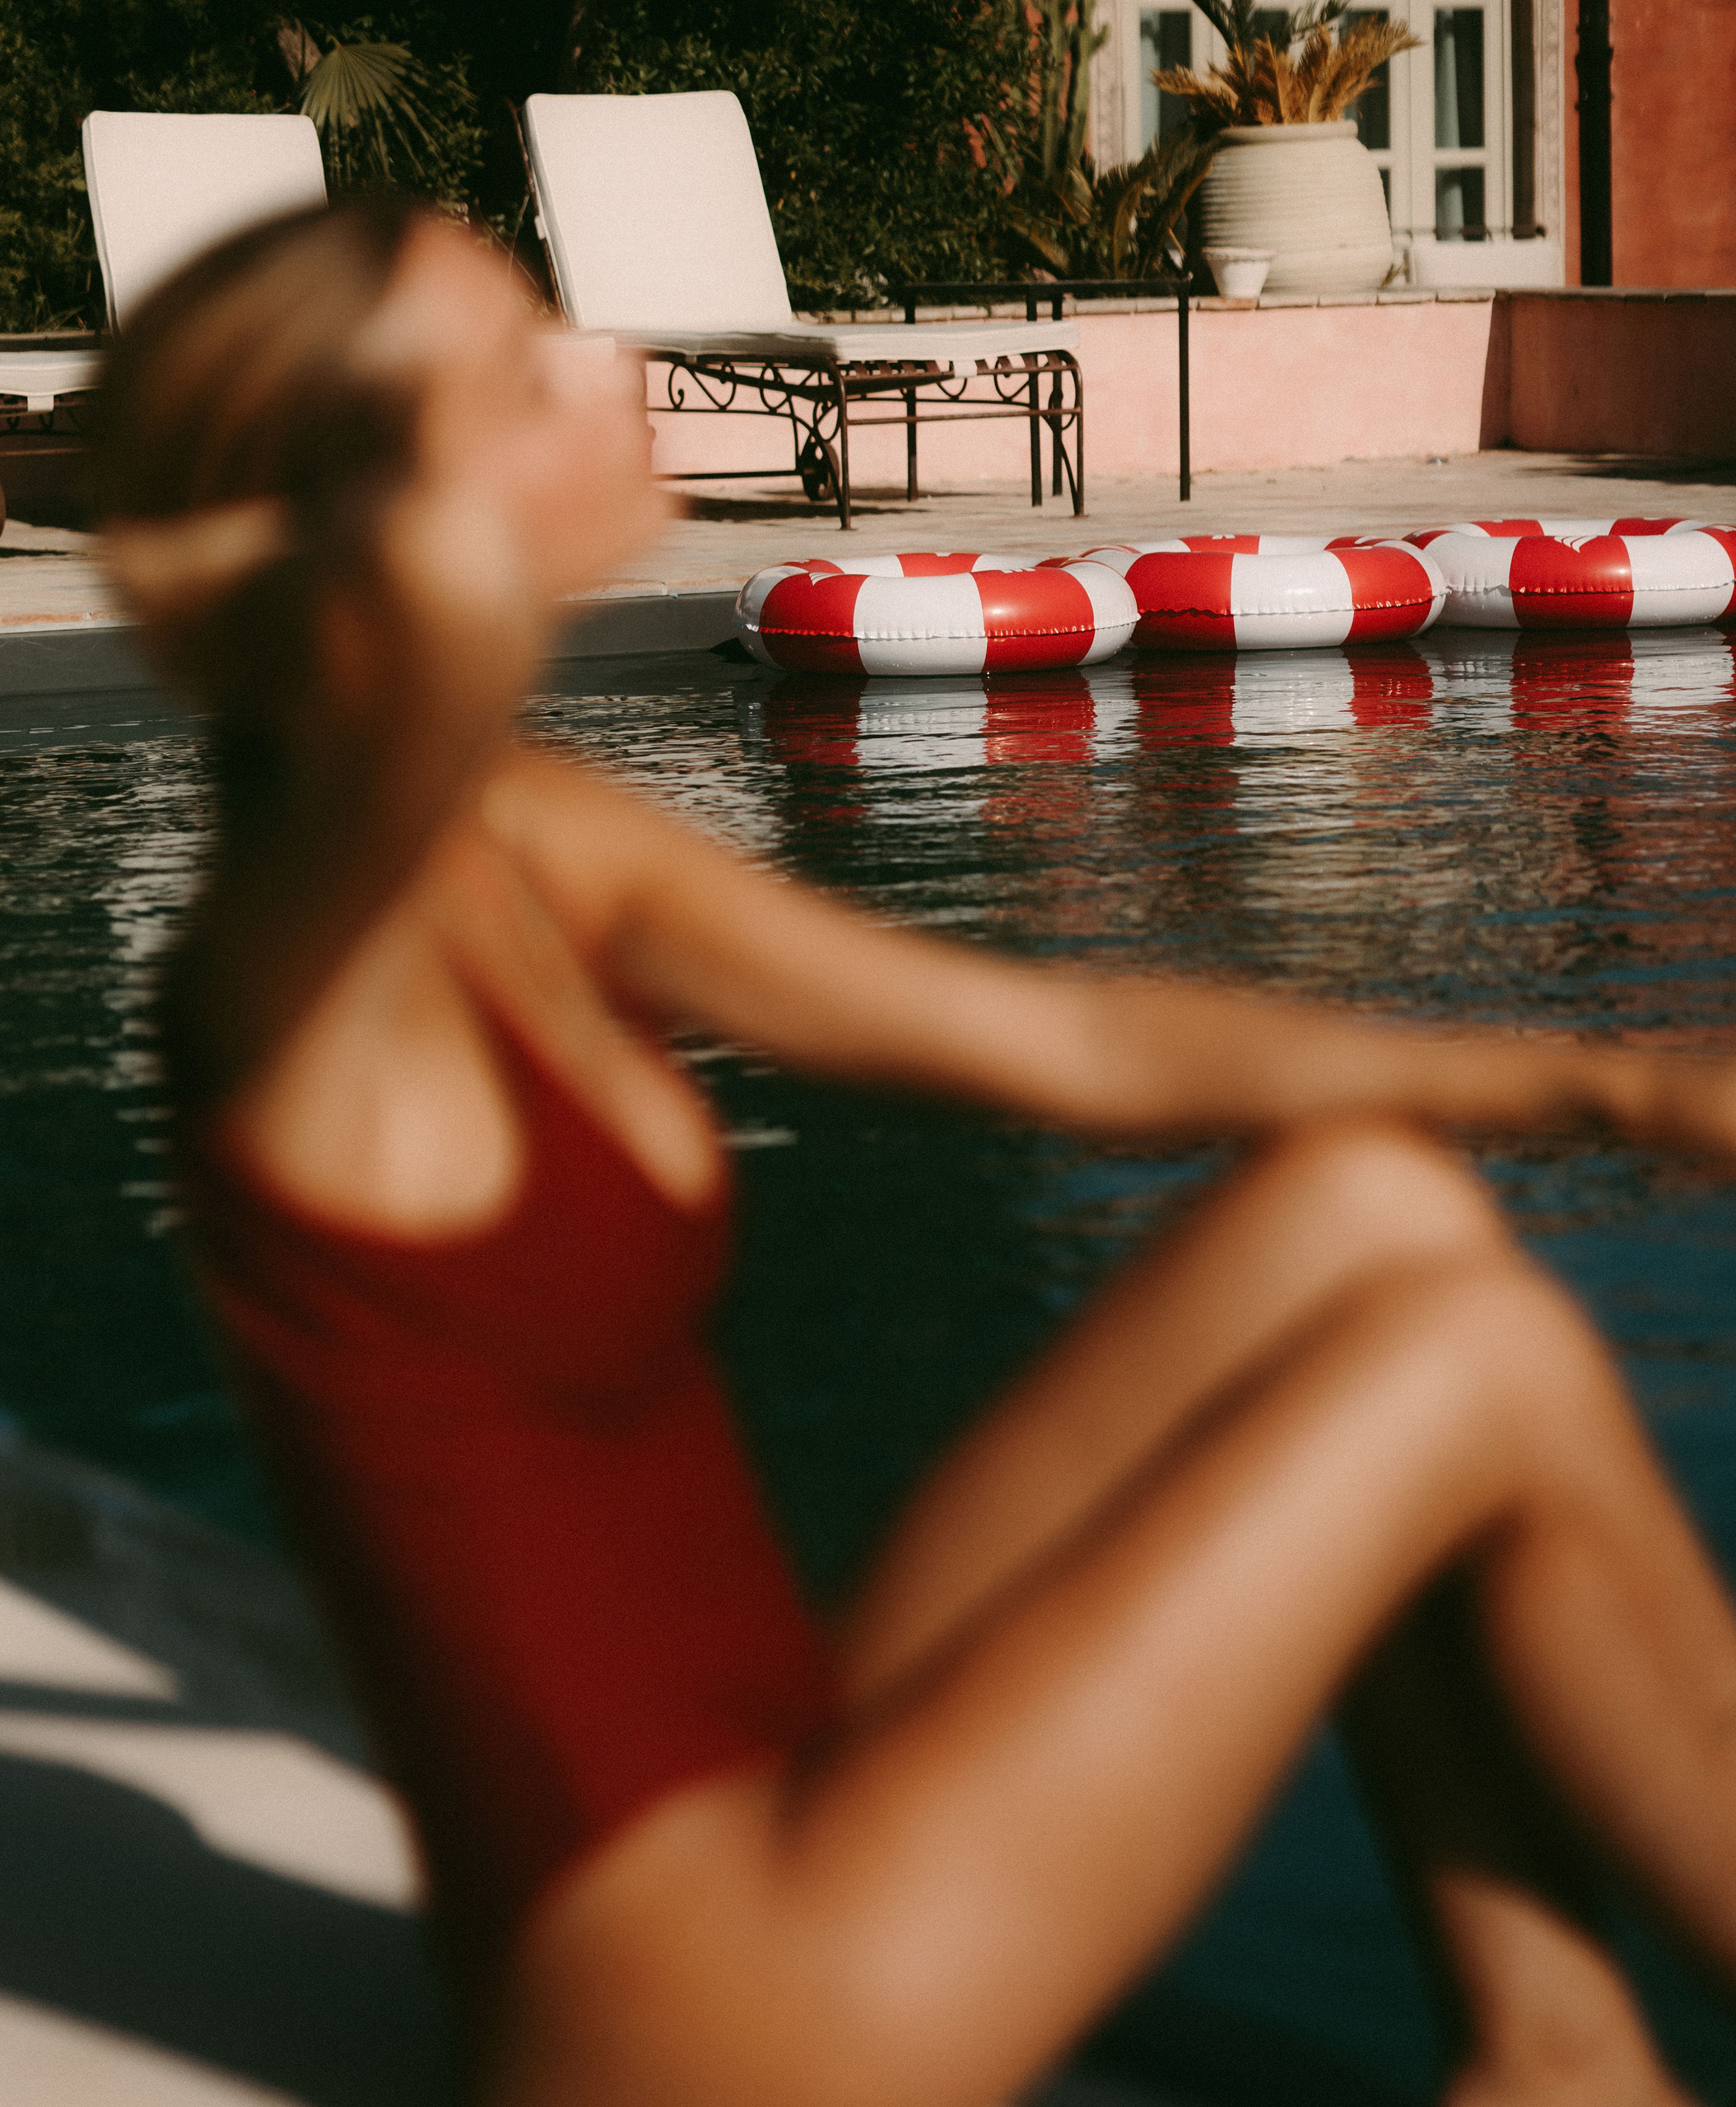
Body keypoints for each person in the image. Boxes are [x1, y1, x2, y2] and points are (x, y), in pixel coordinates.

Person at [95, 196, 1736, 2107]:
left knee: (1362, 1201)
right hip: (697, 1996)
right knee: (1474, 1357)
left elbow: (1070, 1039)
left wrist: (1618, 1085)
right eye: (518, 373)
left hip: (779, 1761)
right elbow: (329, 814)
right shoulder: (296, 975)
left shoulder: (520, 834)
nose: (605, 370)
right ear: (380, 520)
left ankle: (1553, 2049)